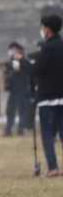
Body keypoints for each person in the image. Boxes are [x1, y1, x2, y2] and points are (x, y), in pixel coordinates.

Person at [30, 14, 63, 177]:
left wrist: (22, 63)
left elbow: (37, 69)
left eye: (43, 27)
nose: (42, 30)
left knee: (48, 134)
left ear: (48, 29)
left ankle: (53, 168)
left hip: (48, 98)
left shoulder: (48, 48)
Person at [3, 42, 33, 137]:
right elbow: (8, 71)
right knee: (10, 110)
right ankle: (8, 130)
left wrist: (4, 63)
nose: (11, 51)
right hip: (13, 89)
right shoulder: (11, 60)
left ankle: (21, 130)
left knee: (22, 110)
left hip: (22, 89)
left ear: (19, 50)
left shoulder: (23, 60)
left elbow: (14, 66)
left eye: (14, 49)